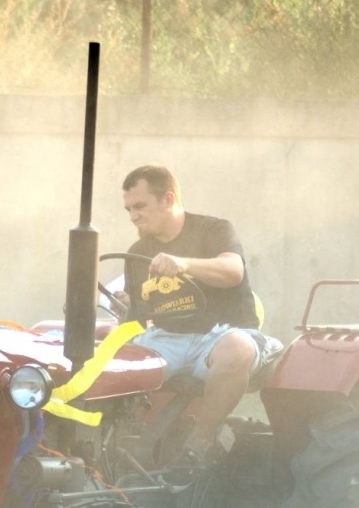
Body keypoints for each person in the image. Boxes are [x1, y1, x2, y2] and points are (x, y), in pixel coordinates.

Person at [120, 164, 280, 466]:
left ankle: (198, 447)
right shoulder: (138, 250)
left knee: (238, 349)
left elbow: (233, 271)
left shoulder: (214, 230)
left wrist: (184, 264)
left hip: (220, 335)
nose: (133, 216)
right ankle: (110, 449)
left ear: (168, 199)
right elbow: (138, 314)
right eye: (128, 209)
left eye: (140, 206)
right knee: (112, 360)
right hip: (167, 339)